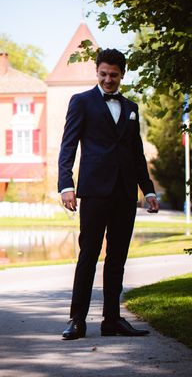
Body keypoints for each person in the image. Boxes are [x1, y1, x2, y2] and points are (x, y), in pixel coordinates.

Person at [58, 49, 159, 340]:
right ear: (97, 72)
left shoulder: (131, 107)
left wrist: (148, 189)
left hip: (125, 193)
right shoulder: (81, 102)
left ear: (122, 75)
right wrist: (66, 185)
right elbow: (69, 146)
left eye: (113, 75)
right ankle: (77, 321)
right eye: (103, 74)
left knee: (118, 258)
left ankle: (112, 320)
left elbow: (136, 153)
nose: (108, 80)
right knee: (88, 255)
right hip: (94, 191)